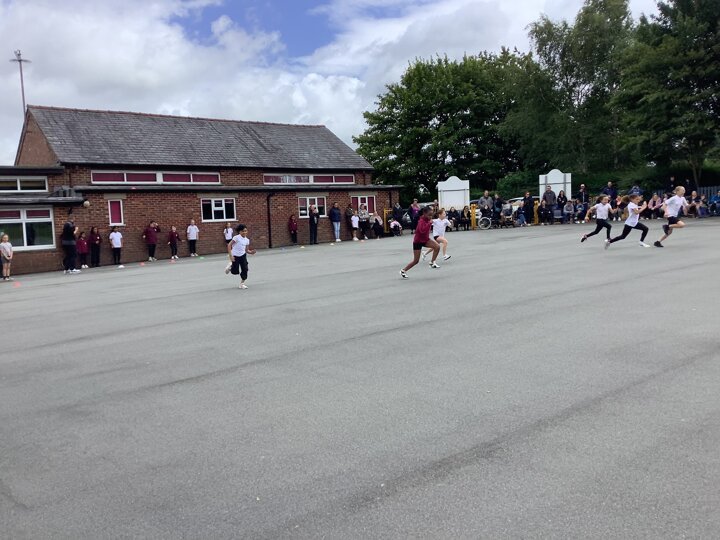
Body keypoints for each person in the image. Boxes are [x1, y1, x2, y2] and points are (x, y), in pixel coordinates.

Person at [399, 206, 441, 278]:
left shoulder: (428, 220)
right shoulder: (421, 221)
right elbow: (422, 231)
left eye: (431, 215)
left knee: (437, 247)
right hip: (418, 242)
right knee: (416, 261)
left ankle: (432, 262)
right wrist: (429, 223)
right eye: (429, 215)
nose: (430, 217)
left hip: (426, 240)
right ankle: (403, 270)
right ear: (424, 213)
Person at [226, 224, 256, 289]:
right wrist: (231, 256)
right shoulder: (236, 238)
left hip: (243, 256)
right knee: (234, 272)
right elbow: (229, 245)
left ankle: (242, 284)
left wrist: (251, 252)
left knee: (245, 269)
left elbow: (246, 250)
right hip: (235, 256)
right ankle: (230, 267)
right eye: (243, 231)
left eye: (245, 231)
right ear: (239, 231)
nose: (244, 232)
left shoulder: (247, 240)